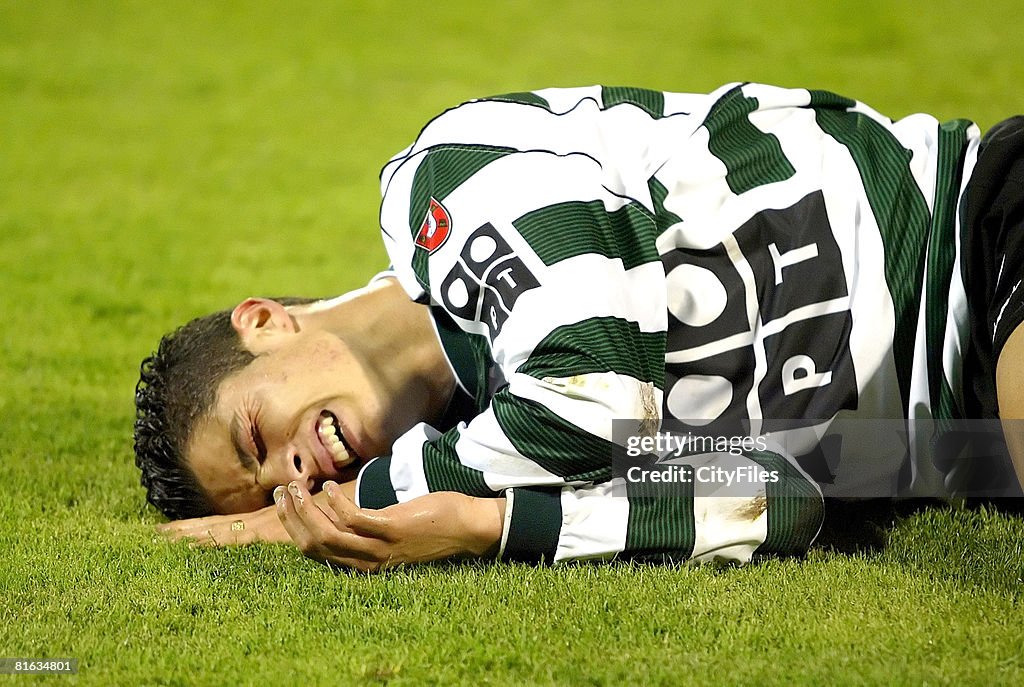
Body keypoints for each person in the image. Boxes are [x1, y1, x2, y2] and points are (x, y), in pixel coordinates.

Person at [134, 82, 1024, 572]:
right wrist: (489, 526)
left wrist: (375, 498)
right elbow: (779, 497)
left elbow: (593, 395)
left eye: (256, 438)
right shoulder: (495, 447)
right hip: (968, 442)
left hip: (970, 237)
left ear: (265, 322)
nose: (297, 482)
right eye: (276, 501)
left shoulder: (437, 190)